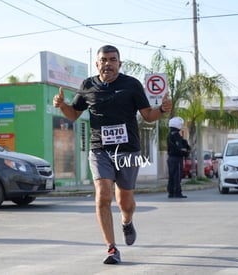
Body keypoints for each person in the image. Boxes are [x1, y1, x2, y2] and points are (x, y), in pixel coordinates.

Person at [53, 45, 172, 264]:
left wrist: (163, 110)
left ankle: (127, 221)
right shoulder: (87, 85)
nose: (108, 63)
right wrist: (62, 106)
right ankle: (111, 248)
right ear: (97, 63)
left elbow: (148, 116)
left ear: (119, 63)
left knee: (125, 201)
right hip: (100, 150)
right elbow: (73, 115)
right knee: (103, 194)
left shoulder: (131, 85)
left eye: (112, 59)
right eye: (103, 60)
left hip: (128, 151)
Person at [166, 116, 190, 198]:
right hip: (176, 158)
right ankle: (177, 192)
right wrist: (185, 152)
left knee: (171, 176)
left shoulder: (169, 135)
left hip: (170, 158)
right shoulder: (176, 135)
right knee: (177, 176)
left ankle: (171, 192)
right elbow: (179, 148)